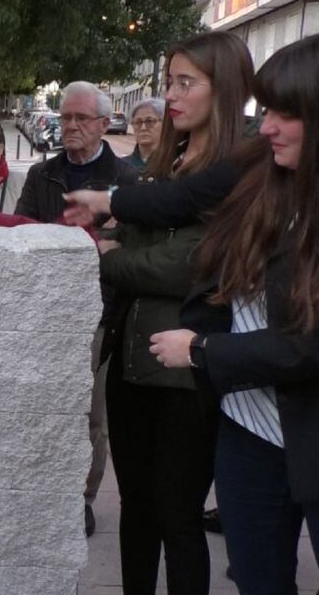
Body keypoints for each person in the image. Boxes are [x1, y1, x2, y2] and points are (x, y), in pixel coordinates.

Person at [67, 29, 319, 595]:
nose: (270, 125)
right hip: (250, 433)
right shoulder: (268, 163)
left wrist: (204, 350)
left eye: (287, 112)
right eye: (268, 109)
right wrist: (107, 202)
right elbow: (183, 198)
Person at [98, 31, 253, 595]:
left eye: (186, 83)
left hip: (187, 371)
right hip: (132, 358)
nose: (171, 95)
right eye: (168, 82)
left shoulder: (237, 167)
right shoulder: (166, 156)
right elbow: (139, 237)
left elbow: (188, 264)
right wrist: (120, 245)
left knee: (177, 515)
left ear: (227, 87)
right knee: (136, 509)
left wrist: (111, 257)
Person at [14, 80, 139, 537]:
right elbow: (22, 232)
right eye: (65, 117)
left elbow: (133, 243)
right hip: (43, 310)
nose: (69, 126)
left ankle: (82, 497)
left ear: (104, 124)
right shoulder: (42, 174)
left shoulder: (126, 180)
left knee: (90, 414)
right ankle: (41, 492)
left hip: (99, 313)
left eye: (80, 118)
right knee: (40, 405)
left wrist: (99, 241)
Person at [123, 98, 165, 171]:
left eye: (150, 121)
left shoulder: (175, 166)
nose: (143, 128)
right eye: (138, 122)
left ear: (165, 124)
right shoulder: (121, 167)